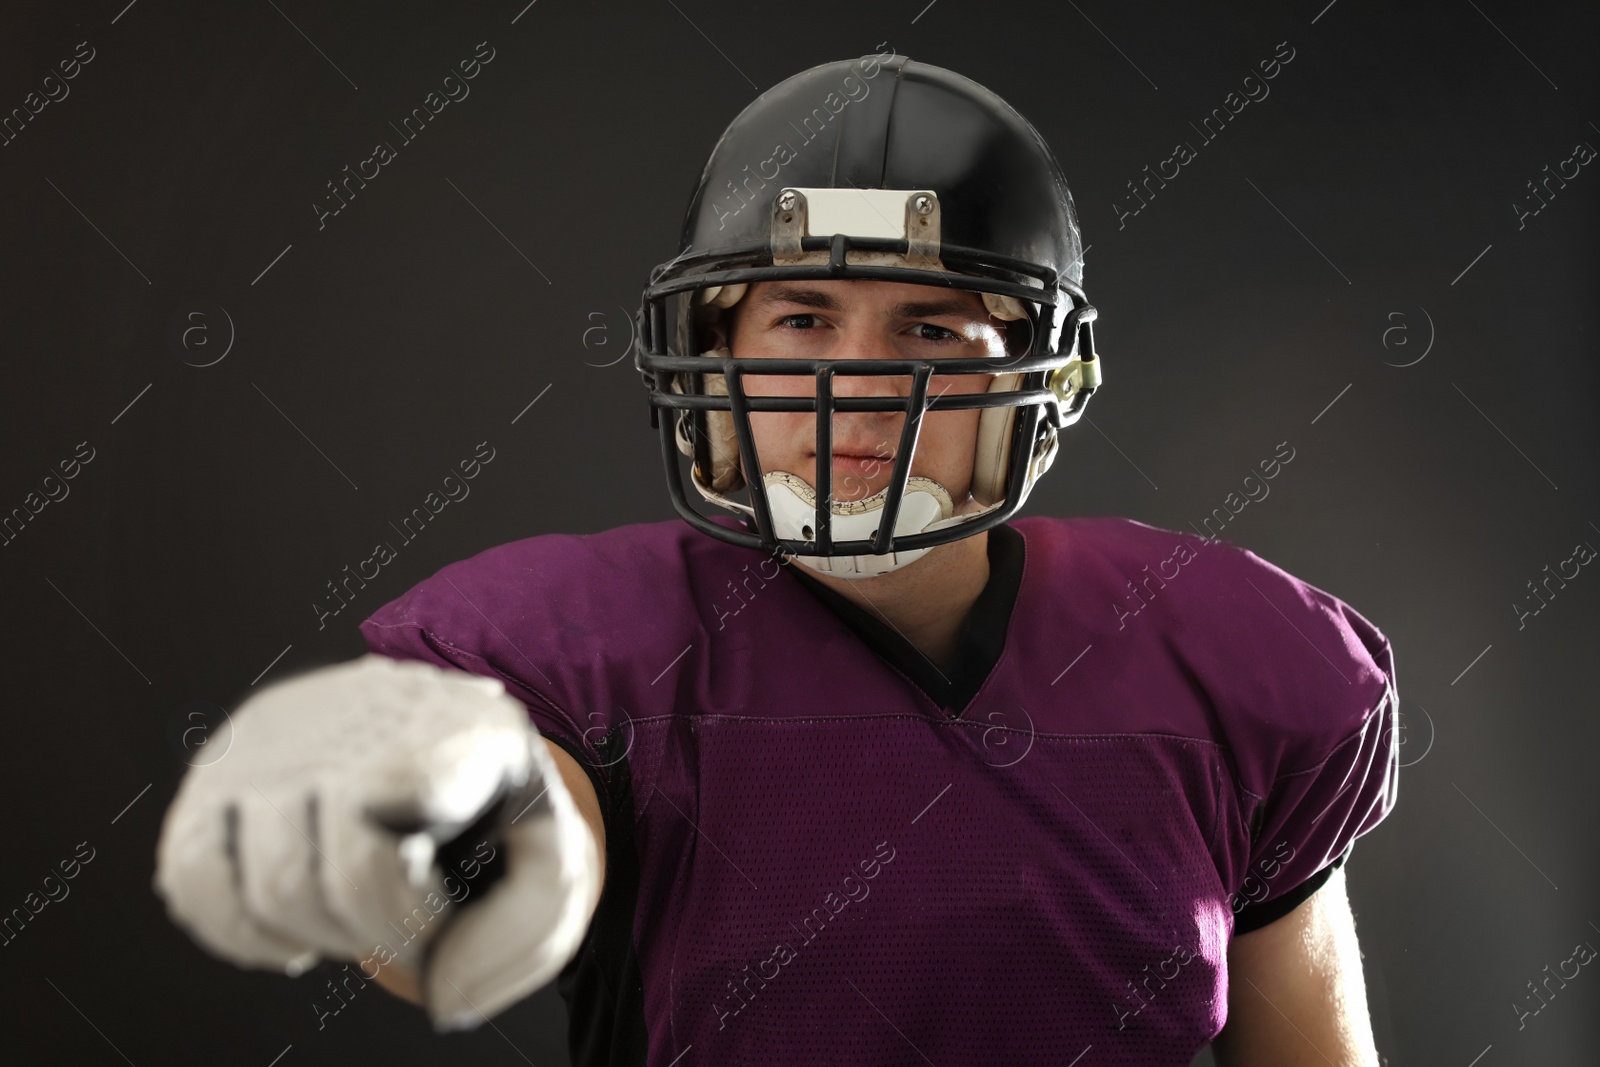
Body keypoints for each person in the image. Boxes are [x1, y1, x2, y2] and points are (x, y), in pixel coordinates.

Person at [154, 51, 1399, 1066]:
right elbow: (496, 850)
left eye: (929, 326)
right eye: (803, 317)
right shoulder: (593, 648)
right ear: (715, 354)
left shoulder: (1216, 661)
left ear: (1044, 375)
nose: (856, 386)